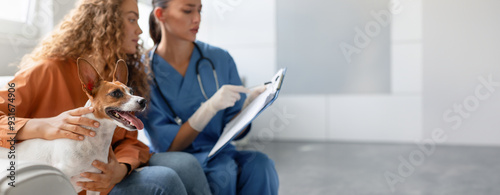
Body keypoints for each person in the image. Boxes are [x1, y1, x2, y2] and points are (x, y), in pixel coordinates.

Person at [0, 0, 210, 194]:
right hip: (74, 177)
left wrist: (122, 167)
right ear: (104, 23)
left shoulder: (117, 79)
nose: (139, 30)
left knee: (188, 165)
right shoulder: (45, 71)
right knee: (165, 179)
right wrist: (44, 126)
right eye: (131, 19)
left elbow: (130, 140)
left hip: (108, 170)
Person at [142, 0, 279, 194]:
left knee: (260, 165)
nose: (197, 18)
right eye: (188, 10)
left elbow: (236, 132)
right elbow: (169, 146)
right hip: (177, 156)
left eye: (199, 10)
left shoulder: (220, 59)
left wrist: (248, 109)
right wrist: (209, 108)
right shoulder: (143, 71)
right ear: (160, 14)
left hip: (221, 152)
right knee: (223, 170)